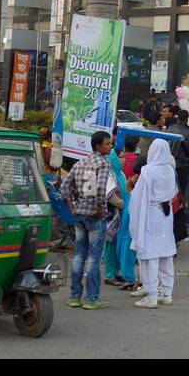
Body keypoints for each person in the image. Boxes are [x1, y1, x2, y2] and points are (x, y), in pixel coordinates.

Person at [60, 131, 114, 309]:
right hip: (94, 216)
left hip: (80, 214)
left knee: (79, 255)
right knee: (94, 258)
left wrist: (72, 208)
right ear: (98, 146)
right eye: (107, 144)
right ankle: (92, 298)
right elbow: (100, 190)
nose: (110, 146)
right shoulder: (103, 164)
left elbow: (64, 187)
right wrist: (99, 209)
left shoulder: (80, 162)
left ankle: (75, 296)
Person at [129, 138, 179, 307]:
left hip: (151, 214)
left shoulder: (148, 171)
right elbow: (175, 191)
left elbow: (138, 195)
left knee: (150, 254)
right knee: (166, 253)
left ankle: (151, 295)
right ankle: (166, 293)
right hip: (166, 213)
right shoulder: (171, 170)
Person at [103, 137, 138, 291]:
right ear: (114, 158)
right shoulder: (110, 173)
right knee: (110, 244)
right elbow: (109, 194)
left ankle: (116, 271)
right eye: (121, 157)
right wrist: (122, 204)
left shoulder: (121, 174)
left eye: (124, 156)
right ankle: (109, 274)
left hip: (121, 214)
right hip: (113, 214)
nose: (124, 160)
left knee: (117, 243)